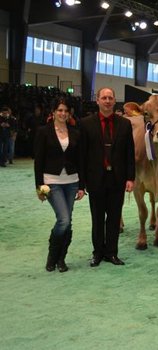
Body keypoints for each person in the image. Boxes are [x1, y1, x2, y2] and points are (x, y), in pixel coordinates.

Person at [80, 87, 135, 267]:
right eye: (104, 98)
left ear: (114, 101)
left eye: (110, 98)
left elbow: (129, 153)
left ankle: (111, 253)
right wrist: (82, 182)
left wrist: (130, 178)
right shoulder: (86, 123)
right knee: (97, 219)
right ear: (97, 101)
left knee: (114, 219)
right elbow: (83, 155)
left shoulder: (125, 124)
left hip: (117, 180)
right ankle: (97, 253)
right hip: (95, 179)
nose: (107, 101)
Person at [34, 98, 85, 272]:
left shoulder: (75, 132)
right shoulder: (43, 132)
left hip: (72, 182)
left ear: (69, 114)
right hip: (52, 182)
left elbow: (80, 161)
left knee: (67, 221)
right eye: (60, 110)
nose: (63, 114)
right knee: (63, 219)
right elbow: (38, 161)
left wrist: (81, 186)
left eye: (66, 111)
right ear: (53, 112)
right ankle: (52, 256)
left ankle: (61, 259)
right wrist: (39, 186)